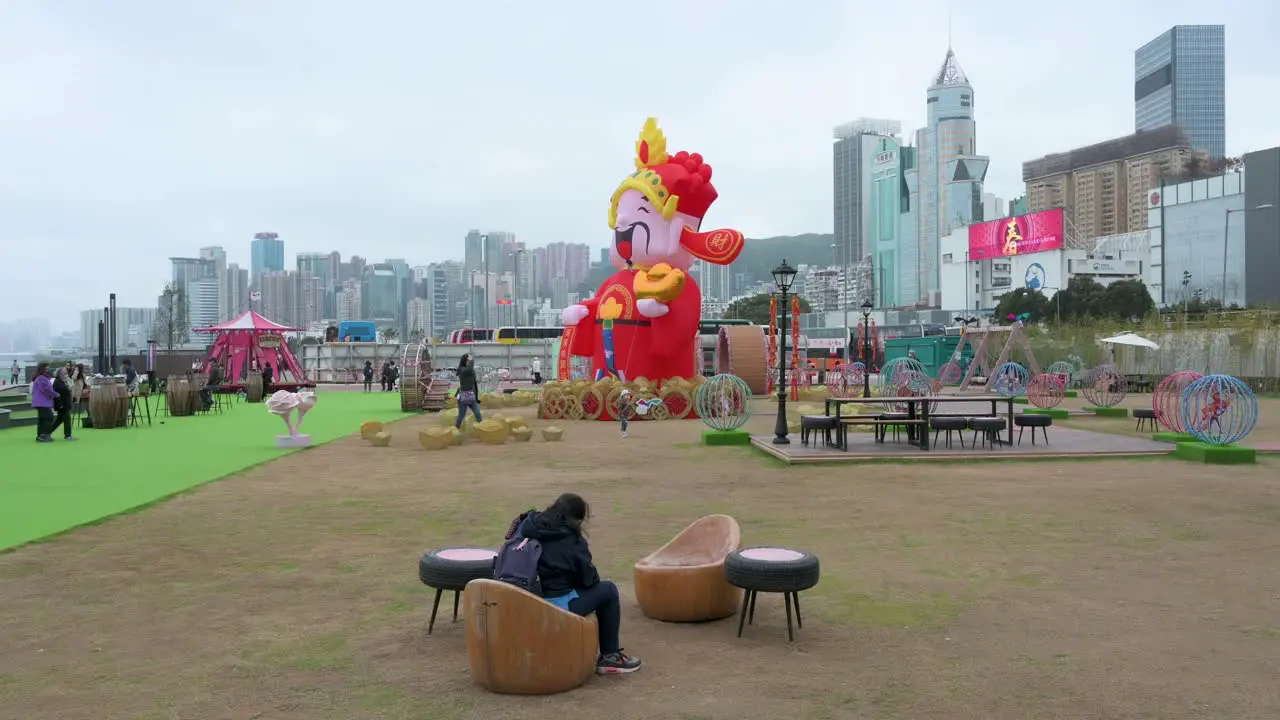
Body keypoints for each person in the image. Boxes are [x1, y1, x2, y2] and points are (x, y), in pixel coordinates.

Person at [506, 494, 642, 675]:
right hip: (554, 606)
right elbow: (588, 580)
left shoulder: (526, 523)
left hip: (521, 596)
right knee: (608, 590)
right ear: (576, 519)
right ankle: (610, 657)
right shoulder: (571, 540)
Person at [31, 362, 57, 443]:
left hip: (40, 402)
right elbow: (45, 389)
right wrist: (55, 394)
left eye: (48, 368)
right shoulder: (41, 378)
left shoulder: (41, 378)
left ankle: (40, 435)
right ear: (42, 369)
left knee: (42, 419)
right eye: (46, 368)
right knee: (49, 417)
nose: (47, 370)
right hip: (42, 402)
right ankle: (44, 435)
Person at [455, 353, 483, 428]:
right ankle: (455, 429)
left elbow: (473, 381)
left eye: (469, 361)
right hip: (463, 397)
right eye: (468, 360)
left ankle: (482, 429)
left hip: (471, 395)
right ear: (464, 361)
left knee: (477, 413)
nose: (469, 362)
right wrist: (472, 360)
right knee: (461, 416)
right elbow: (469, 369)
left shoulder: (469, 370)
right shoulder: (462, 369)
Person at [49, 367, 75, 441]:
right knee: (67, 419)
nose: (66, 373)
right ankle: (68, 435)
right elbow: (60, 393)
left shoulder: (63, 381)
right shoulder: (57, 382)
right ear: (60, 374)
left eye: (66, 372)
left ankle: (47, 432)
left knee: (59, 420)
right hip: (62, 405)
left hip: (64, 404)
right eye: (64, 372)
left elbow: (68, 390)